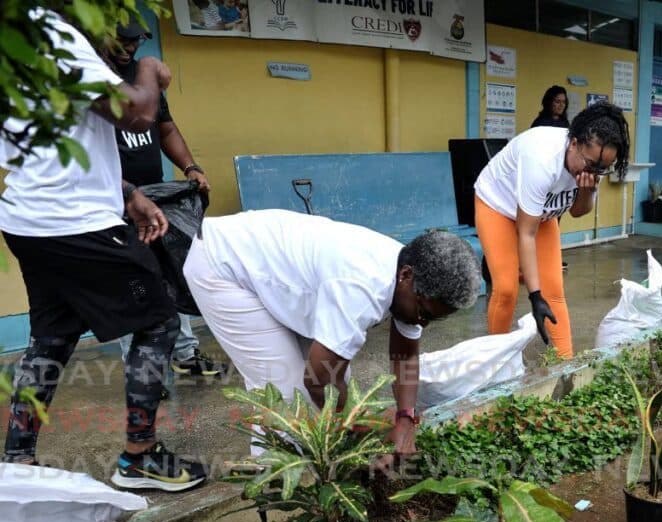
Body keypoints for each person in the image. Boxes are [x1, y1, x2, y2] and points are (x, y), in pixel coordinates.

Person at [0, 10, 205, 491]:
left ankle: (17, 460)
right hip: (76, 224)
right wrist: (151, 69)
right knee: (159, 321)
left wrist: (127, 192)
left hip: (27, 219)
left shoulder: (20, 46)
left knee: (51, 336)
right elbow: (135, 112)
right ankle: (140, 457)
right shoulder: (60, 33)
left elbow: (60, 145)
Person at [182, 210, 481, 462]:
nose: (422, 324)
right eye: (424, 314)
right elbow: (319, 380)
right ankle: (273, 483)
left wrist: (406, 418)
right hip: (222, 265)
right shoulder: (362, 288)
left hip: (274, 272)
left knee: (336, 388)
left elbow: (405, 354)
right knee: (285, 398)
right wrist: (356, 425)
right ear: (406, 276)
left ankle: (323, 469)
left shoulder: (410, 279)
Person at [104, 19, 228, 381]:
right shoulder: (94, 80)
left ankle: (185, 354)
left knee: (174, 267)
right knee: (133, 280)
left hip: (156, 194)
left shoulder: (145, 80)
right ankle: (142, 371)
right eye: (123, 40)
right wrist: (128, 193)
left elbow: (166, 128)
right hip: (114, 199)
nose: (130, 47)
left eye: (136, 40)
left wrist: (190, 167)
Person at [474, 102, 630, 359]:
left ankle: (566, 367)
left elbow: (577, 211)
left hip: (543, 214)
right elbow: (526, 233)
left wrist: (587, 191)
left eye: (601, 169)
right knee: (506, 289)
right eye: (590, 164)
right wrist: (534, 296)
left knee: (554, 292)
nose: (592, 172)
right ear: (574, 143)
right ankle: (495, 363)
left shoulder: (593, 161)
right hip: (498, 205)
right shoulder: (542, 159)